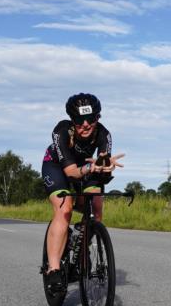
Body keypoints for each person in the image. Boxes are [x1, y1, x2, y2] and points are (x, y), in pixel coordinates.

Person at [40, 93, 124, 293]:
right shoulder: (61, 131)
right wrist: (89, 169)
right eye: (79, 120)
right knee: (65, 208)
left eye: (91, 119)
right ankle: (53, 270)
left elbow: (103, 162)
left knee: (96, 207)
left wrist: (105, 166)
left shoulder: (104, 134)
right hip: (57, 167)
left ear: (98, 118)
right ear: (72, 120)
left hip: (88, 167)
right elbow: (71, 172)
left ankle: (82, 244)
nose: (85, 124)